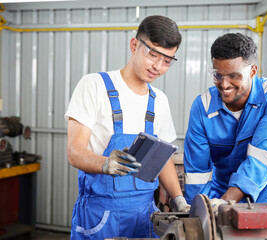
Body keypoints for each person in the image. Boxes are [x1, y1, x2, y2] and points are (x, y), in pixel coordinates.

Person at [65, 15, 189, 239]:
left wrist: (179, 200)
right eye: (153, 55)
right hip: (100, 216)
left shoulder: (159, 100)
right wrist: (105, 164)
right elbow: (74, 152)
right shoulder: (94, 86)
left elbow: (164, 160)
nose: (158, 67)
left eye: (167, 60)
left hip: (145, 216)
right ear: (134, 45)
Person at [183, 33, 267, 212]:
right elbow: (197, 173)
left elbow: (263, 155)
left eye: (234, 76)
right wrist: (200, 211)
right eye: (218, 75)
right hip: (218, 198)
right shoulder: (202, 107)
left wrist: (227, 202)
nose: (224, 84)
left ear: (253, 71)